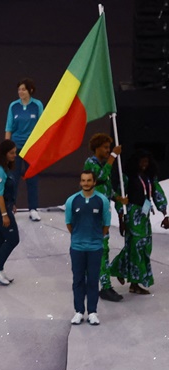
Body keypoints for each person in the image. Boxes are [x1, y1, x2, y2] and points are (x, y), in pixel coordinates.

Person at [111, 150, 168, 294]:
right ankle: (134, 283)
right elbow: (121, 196)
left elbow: (157, 193)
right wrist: (121, 218)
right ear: (135, 162)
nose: (144, 164)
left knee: (143, 247)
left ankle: (122, 271)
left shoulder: (150, 177)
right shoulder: (128, 177)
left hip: (144, 216)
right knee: (136, 246)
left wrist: (165, 213)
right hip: (132, 214)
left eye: (146, 162)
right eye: (142, 162)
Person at [84, 133, 127, 303]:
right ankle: (105, 287)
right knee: (101, 249)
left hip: (103, 213)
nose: (108, 150)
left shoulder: (102, 164)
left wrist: (118, 199)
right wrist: (114, 157)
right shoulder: (90, 163)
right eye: (106, 148)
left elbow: (106, 187)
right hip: (94, 215)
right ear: (96, 148)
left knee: (100, 249)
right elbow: (99, 178)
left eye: (110, 148)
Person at [65, 169, 112, 326]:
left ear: (94, 182)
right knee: (78, 280)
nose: (86, 183)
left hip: (95, 248)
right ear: (80, 182)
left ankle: (92, 312)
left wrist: (96, 238)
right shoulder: (72, 200)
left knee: (93, 280)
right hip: (77, 247)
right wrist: (79, 237)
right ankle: (79, 311)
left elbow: (106, 224)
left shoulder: (102, 200)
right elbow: (69, 223)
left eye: (88, 180)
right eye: (83, 180)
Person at [5, 78, 44, 221]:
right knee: (12, 179)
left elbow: (42, 126)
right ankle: (11, 207)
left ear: (30, 90)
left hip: (32, 148)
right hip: (16, 147)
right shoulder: (13, 106)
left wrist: (40, 146)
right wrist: (7, 148)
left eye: (23, 89)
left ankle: (33, 209)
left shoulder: (37, 105)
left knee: (32, 179)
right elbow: (9, 127)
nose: (20, 92)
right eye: (19, 89)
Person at [0, 140, 20, 285]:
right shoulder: (0, 170)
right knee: (13, 238)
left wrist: (12, 204)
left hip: (2, 205)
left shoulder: (4, 168)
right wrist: (4, 215)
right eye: (12, 153)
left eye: (15, 152)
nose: (15, 155)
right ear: (4, 153)